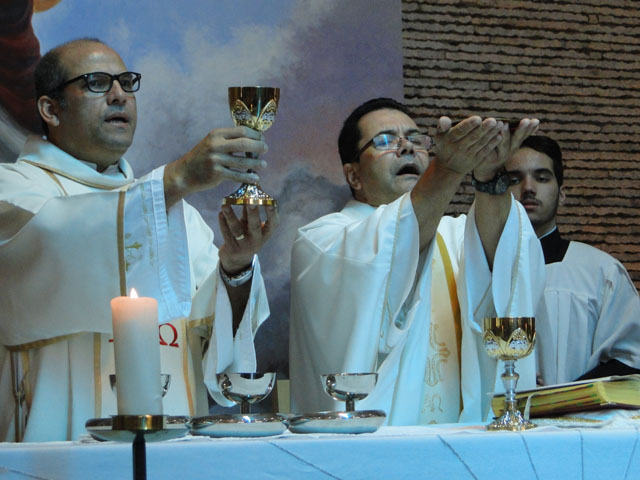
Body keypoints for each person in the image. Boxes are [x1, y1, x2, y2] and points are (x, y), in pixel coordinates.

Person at [0, 38, 279, 442]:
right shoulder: (14, 189)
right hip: (63, 444)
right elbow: (52, 238)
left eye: (127, 83)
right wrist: (177, 177)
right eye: (97, 83)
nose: (119, 95)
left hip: (174, 443)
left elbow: (217, 347)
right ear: (50, 109)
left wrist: (235, 266)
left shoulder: (172, 212)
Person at [289, 98, 545, 425]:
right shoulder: (322, 241)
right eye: (385, 140)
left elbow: (507, 268)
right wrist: (448, 168)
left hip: (461, 440)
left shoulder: (454, 233)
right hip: (374, 447)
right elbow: (390, 246)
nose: (406, 147)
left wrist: (490, 176)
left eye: (415, 138)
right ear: (353, 175)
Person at [506, 135, 640, 385]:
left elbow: (630, 360)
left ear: (562, 194)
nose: (528, 188)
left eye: (542, 178)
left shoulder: (601, 272)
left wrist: (562, 396)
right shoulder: (480, 272)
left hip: (581, 410)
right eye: (514, 180)